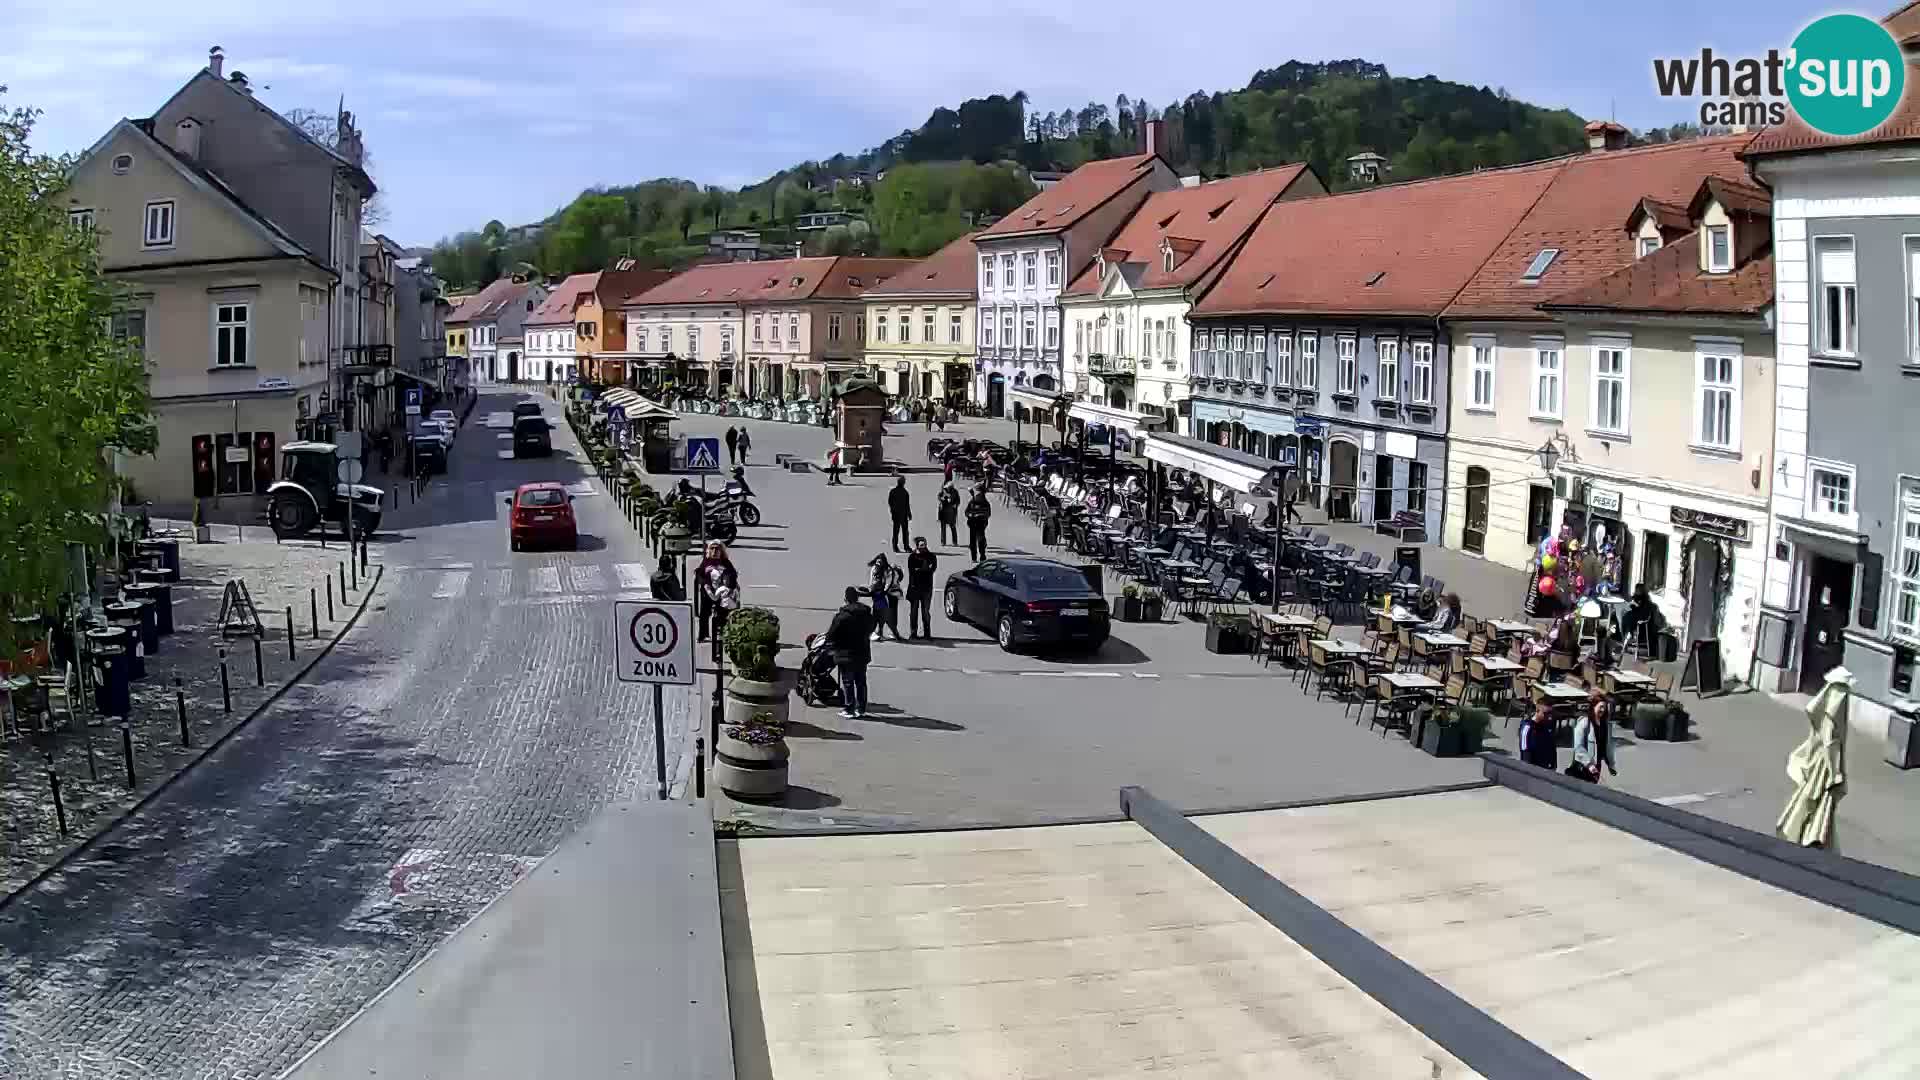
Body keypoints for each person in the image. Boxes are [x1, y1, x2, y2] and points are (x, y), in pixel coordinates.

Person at [825, 587, 874, 719]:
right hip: (862, 652)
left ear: (846, 598)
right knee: (861, 681)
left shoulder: (842, 616)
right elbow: (872, 627)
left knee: (848, 681)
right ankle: (861, 708)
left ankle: (849, 708)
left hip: (845, 653)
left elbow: (831, 635)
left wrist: (832, 645)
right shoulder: (866, 613)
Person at [693, 541, 739, 642]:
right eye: (712, 548)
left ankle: (724, 633)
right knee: (704, 614)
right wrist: (705, 584)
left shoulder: (726, 562)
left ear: (721, 551)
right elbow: (699, 575)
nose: (714, 551)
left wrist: (728, 587)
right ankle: (702, 635)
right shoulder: (706, 562)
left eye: (717, 549)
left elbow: (733, 576)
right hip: (708, 592)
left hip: (722, 593)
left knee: (723, 614)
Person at [1569, 690, 1618, 783]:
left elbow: (1607, 747)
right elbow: (1578, 747)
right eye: (1601, 707)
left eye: (1605, 708)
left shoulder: (1605, 725)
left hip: (1597, 765)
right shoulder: (1584, 723)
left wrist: (1611, 765)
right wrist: (1589, 764)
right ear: (1593, 707)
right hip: (1583, 766)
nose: (1603, 710)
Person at [866, 553, 905, 642]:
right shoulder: (874, 569)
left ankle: (894, 634)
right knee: (879, 614)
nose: (878, 564)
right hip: (879, 594)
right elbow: (872, 582)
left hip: (891, 595)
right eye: (877, 562)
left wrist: (883, 592)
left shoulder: (888, 570)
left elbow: (889, 583)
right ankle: (880, 632)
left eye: (880, 562)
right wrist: (872, 590)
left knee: (889, 615)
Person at [906, 537, 937, 639]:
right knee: (913, 612)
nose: (923, 548)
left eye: (924, 545)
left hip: (927, 588)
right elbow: (912, 570)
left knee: (925, 611)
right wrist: (923, 569)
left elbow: (933, 568)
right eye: (921, 546)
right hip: (915, 587)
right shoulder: (912, 557)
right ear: (917, 546)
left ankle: (927, 633)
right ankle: (913, 633)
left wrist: (926, 568)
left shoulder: (931, 556)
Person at [1520, 701, 1558, 771]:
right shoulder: (1528, 728)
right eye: (1545, 713)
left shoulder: (1547, 726)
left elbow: (1552, 746)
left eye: (1550, 713)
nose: (1548, 717)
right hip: (1534, 770)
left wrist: (1554, 765)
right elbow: (1525, 751)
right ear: (1537, 711)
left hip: (1548, 768)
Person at [965, 485, 992, 561]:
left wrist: (979, 515)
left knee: (980, 540)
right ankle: (974, 557)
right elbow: (966, 512)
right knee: (973, 541)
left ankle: (982, 555)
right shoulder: (972, 502)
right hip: (972, 523)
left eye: (979, 492)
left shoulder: (985, 503)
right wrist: (970, 515)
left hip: (980, 524)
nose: (978, 494)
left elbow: (988, 513)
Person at [887, 476, 913, 553]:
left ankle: (895, 547)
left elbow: (890, 502)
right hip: (903, 515)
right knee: (904, 531)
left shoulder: (893, 491)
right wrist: (909, 514)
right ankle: (906, 546)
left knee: (896, 531)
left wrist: (893, 511)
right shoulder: (905, 492)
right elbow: (907, 505)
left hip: (896, 515)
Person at [936, 481, 961, 547]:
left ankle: (954, 542)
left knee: (952, 526)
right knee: (943, 527)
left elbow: (958, 500)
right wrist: (942, 499)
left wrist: (955, 504)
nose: (949, 489)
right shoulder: (944, 491)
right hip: (943, 511)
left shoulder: (955, 492)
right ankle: (943, 542)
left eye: (950, 487)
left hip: (951, 511)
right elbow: (939, 496)